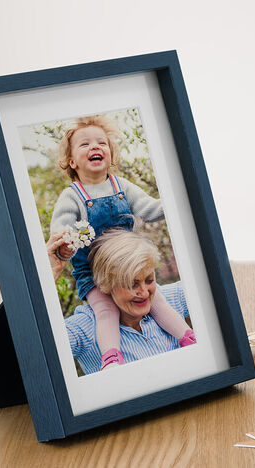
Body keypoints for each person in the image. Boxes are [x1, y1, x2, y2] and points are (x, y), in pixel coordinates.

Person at [47, 115, 195, 370]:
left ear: (111, 154)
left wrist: (177, 200)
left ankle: (188, 340)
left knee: (158, 300)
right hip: (92, 272)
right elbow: (60, 228)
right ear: (72, 161)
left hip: (128, 265)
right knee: (106, 311)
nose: (95, 147)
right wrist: (64, 244)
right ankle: (112, 358)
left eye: (102, 143)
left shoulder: (121, 186)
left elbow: (149, 209)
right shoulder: (72, 195)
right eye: (84, 144)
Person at [61, 229, 192, 375]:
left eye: (149, 280)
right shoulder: (85, 328)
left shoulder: (173, 298)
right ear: (106, 284)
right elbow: (37, 348)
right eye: (132, 284)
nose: (144, 292)